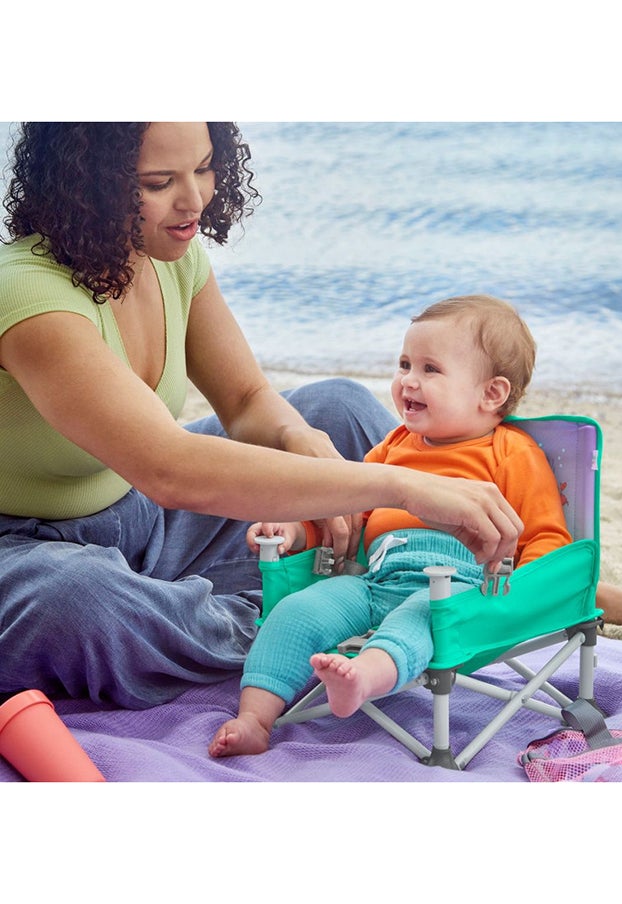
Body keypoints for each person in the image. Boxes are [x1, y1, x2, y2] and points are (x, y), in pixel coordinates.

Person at [0, 123, 524, 710]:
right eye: (158, 182)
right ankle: (289, 628)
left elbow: (248, 400)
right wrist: (401, 483)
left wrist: (299, 438)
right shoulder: (26, 296)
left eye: (202, 168)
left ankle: (375, 582)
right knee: (80, 600)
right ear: (86, 185)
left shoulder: (170, 254)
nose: (194, 200)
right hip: (26, 553)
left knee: (337, 408)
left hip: (147, 525)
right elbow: (168, 468)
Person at [208, 294, 577, 757]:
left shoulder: (511, 453)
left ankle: (362, 678)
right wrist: (297, 532)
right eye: (404, 364)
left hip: (455, 591)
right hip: (373, 580)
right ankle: (253, 719)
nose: (408, 381)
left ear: (492, 393)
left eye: (430, 369)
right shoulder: (392, 448)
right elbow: (345, 521)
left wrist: (514, 594)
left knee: (419, 619)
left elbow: (547, 538)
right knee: (297, 610)